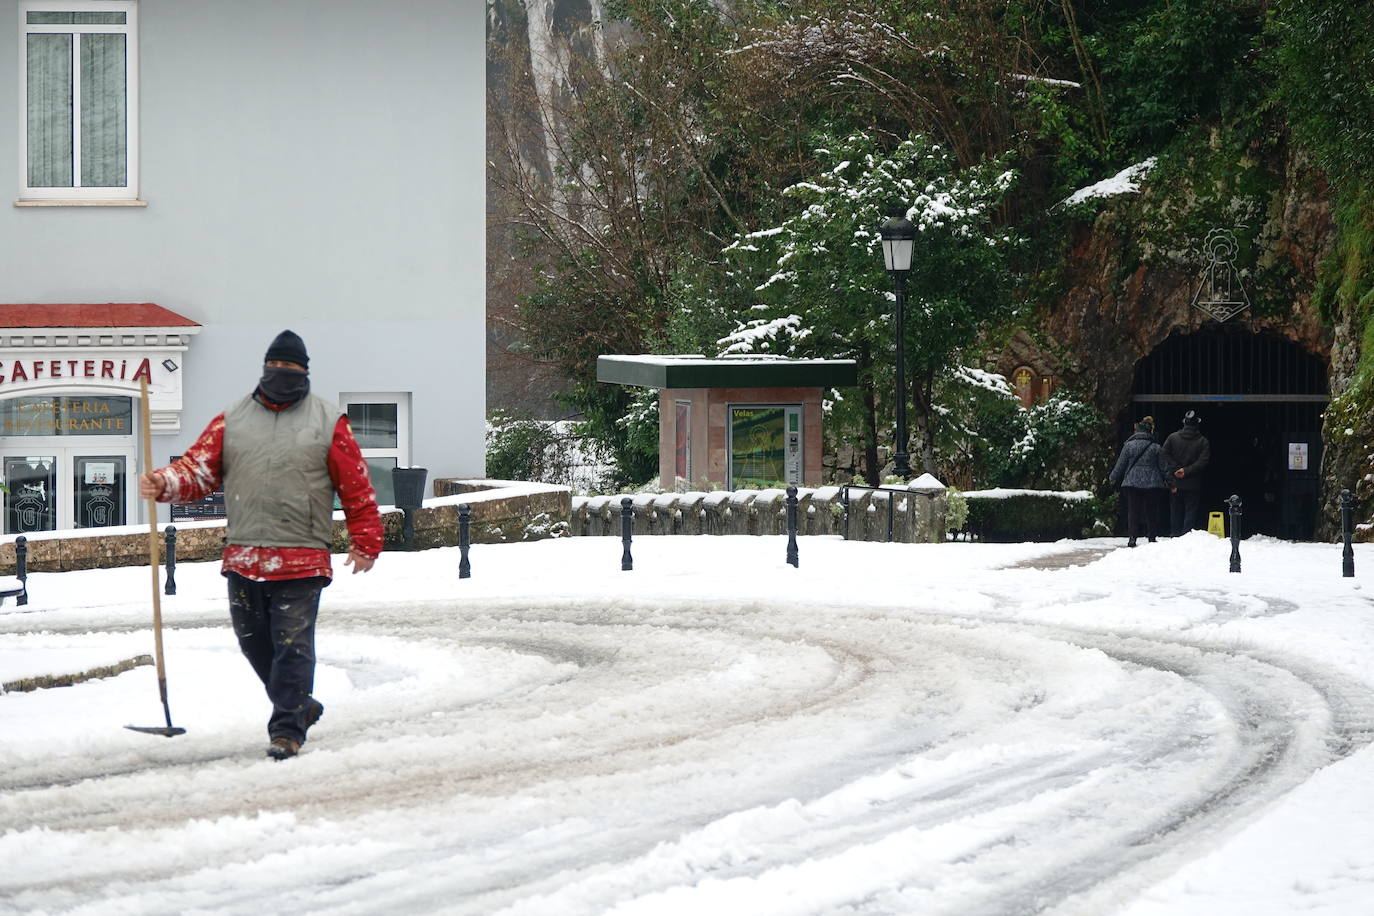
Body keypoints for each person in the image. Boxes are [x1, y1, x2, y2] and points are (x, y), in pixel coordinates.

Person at [139, 330, 383, 760]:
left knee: (292, 646)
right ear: (264, 369)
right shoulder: (231, 420)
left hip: (302, 558)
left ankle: (286, 730)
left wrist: (366, 542)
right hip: (244, 554)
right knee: (256, 645)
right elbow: (198, 472)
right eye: (276, 367)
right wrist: (164, 482)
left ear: (304, 372)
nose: (282, 375)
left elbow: (357, 486)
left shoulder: (328, 422)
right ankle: (301, 705)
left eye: (291, 369)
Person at [1108, 415, 1167, 547]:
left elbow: (1121, 464)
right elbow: (1164, 467)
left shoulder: (1128, 446)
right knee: (1151, 511)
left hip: (1132, 482)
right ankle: (1151, 536)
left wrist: (1113, 476)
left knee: (1133, 511)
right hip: (1152, 483)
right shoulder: (1156, 447)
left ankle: (1132, 537)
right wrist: (1170, 481)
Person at [1160, 409, 1211, 536]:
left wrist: (1175, 469)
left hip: (1175, 482)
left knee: (1175, 510)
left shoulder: (1172, 438)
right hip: (1193, 483)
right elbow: (1203, 461)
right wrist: (1186, 471)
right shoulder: (1203, 441)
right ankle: (1186, 535)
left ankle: (1175, 534)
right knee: (1190, 510)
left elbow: (1164, 454)